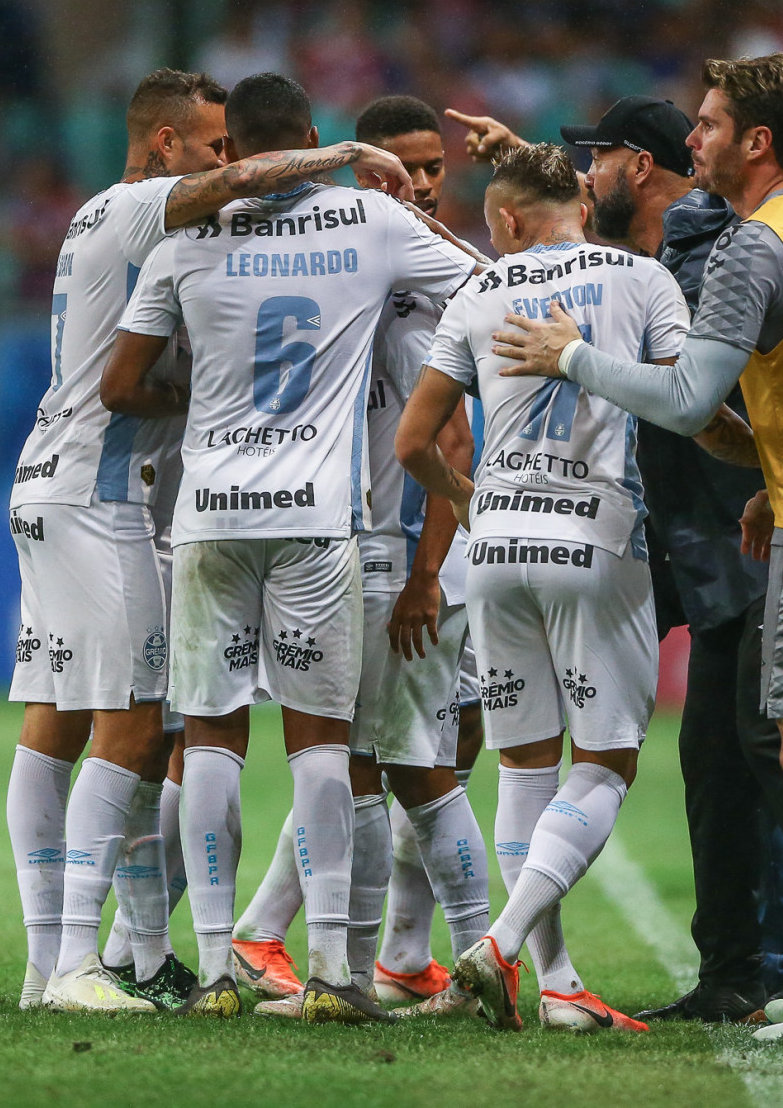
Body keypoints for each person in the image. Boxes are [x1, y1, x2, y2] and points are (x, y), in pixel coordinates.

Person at [493, 54, 783, 1045]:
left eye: (706, 124)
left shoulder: (754, 246)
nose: (692, 138)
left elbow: (686, 397)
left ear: (757, 141)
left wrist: (570, 355)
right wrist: (775, 473)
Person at [5, 67, 417, 1016]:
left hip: (57, 479)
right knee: (134, 726)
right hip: (100, 492)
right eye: (211, 143)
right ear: (166, 145)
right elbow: (240, 185)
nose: (228, 159)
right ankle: (75, 963)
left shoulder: (98, 216)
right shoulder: (140, 207)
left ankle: (91, 959)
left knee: (62, 722)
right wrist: (343, 154)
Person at [107, 72, 472, 1024]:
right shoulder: (372, 222)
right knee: (321, 743)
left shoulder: (185, 240)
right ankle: (331, 972)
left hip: (210, 514)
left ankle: (216, 968)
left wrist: (204, 408)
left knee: (210, 736)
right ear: (312, 138)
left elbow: (122, 380)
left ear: (231, 150)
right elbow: (484, 284)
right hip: (316, 518)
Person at [398, 142, 717, 1033]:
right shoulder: (643, 278)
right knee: (606, 761)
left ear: (505, 219)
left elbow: (413, 443)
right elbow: (683, 397)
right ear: (581, 199)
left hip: (497, 544)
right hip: (595, 538)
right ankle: (502, 943)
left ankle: (562, 984)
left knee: (526, 761)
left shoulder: (477, 291)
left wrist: (468, 500)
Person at [229, 93, 493, 1019]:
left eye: (433, 167)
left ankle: (382, 952)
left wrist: (429, 570)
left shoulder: (452, 278)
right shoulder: (350, 268)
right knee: (384, 762)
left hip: (432, 552)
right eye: (402, 167)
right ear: (358, 169)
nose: (420, 182)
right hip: (384, 549)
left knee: (415, 752)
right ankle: (396, 954)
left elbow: (454, 441)